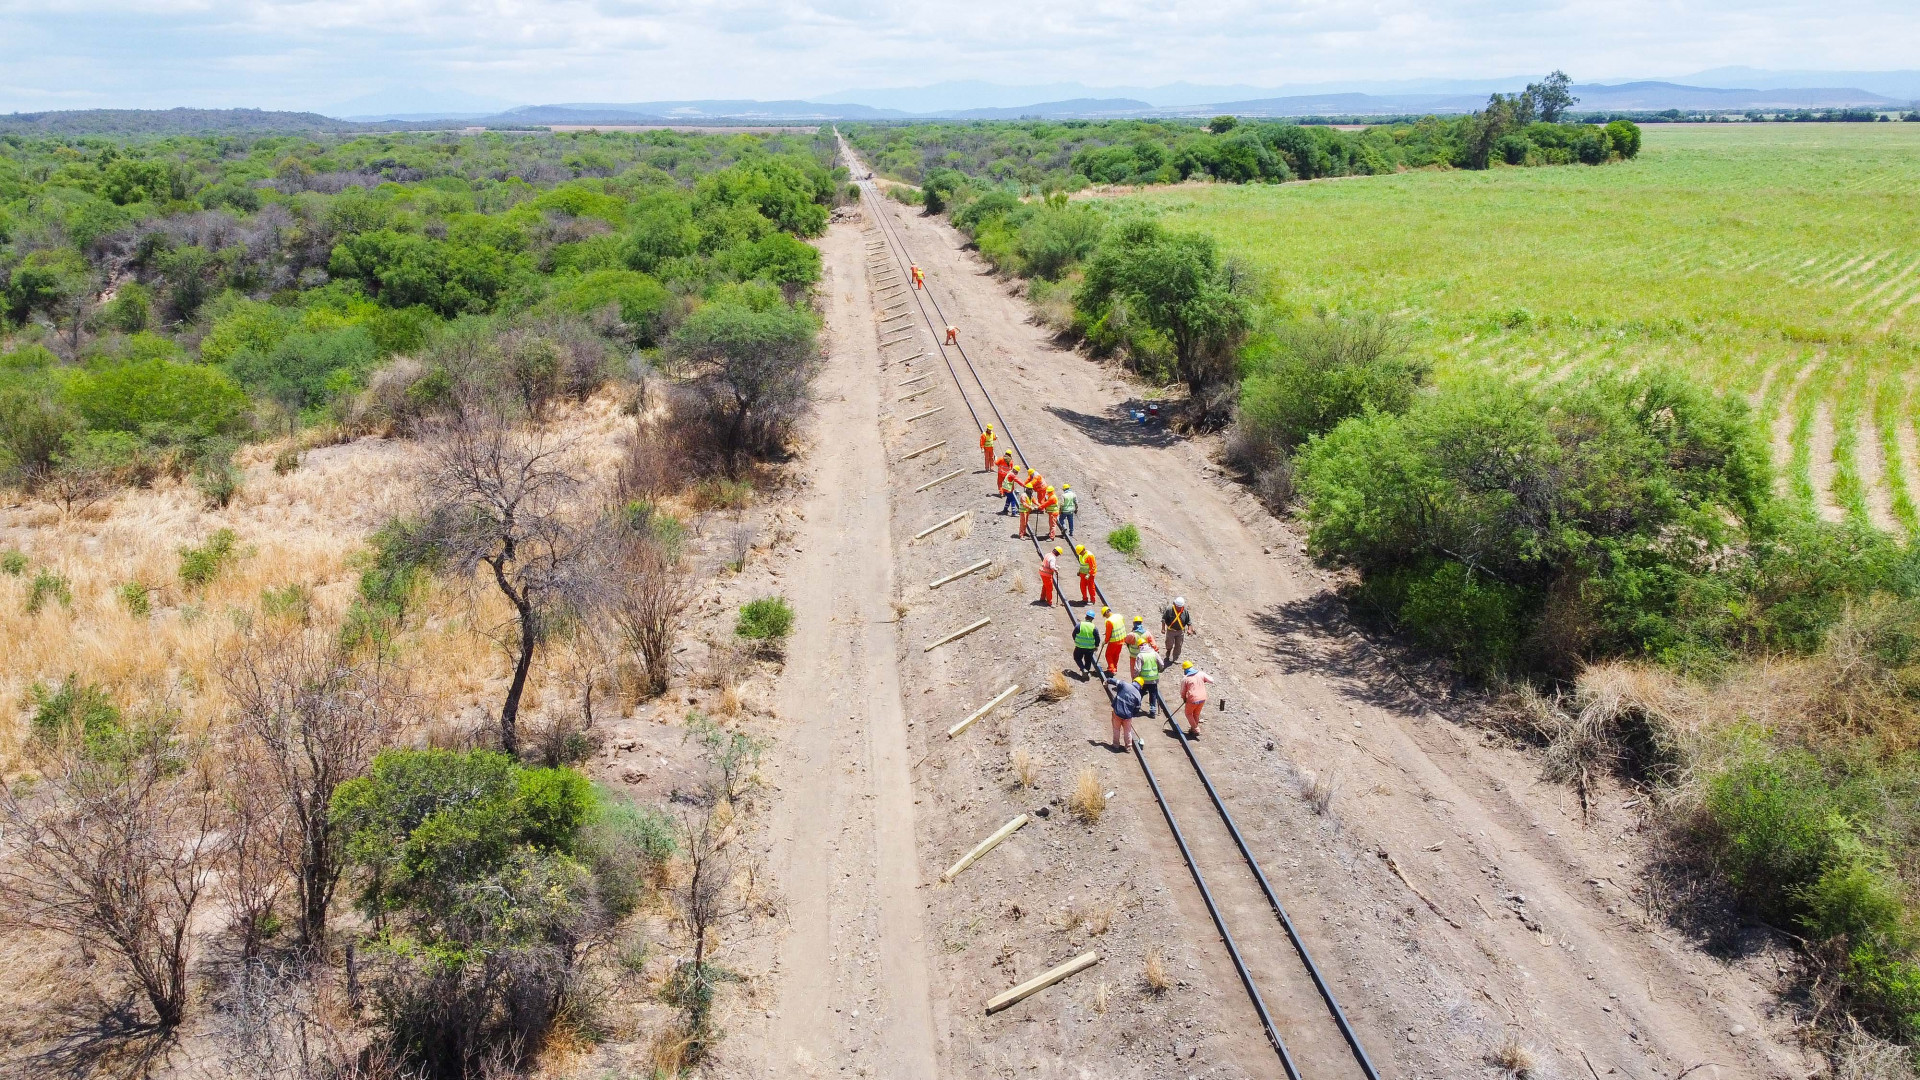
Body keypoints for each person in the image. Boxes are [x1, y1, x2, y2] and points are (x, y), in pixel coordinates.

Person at [1103, 672, 1145, 749]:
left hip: (1117, 712)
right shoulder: (1138, 695)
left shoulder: (1124, 684)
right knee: (1128, 731)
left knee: (1116, 729)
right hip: (1127, 716)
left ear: (1134, 681)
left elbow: (1114, 681)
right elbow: (1137, 709)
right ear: (1140, 686)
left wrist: (1107, 680)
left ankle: (1115, 745)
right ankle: (1128, 747)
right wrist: (1131, 715)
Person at [1178, 660, 1215, 738]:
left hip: (1193, 699)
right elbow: (1211, 680)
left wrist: (1184, 698)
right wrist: (1203, 680)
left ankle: (1196, 729)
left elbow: (1182, 691)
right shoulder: (1201, 674)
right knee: (1196, 713)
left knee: (1188, 714)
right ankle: (1193, 729)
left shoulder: (1185, 679)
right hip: (1203, 698)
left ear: (1185, 669)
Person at [1161, 597, 1196, 665]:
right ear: (1174, 604)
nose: (1179, 608)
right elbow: (1163, 620)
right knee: (1169, 644)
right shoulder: (1169, 610)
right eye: (1178, 606)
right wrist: (1163, 628)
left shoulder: (1185, 611)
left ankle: (1175, 658)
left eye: (1180, 607)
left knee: (1178, 645)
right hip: (1170, 631)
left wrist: (1189, 629)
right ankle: (1168, 651)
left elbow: (1189, 622)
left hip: (1180, 632)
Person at [1136, 637, 1164, 714]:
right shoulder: (1154, 653)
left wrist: (1136, 678)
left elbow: (1137, 669)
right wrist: (1159, 670)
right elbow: (1161, 664)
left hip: (1143, 680)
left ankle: (1137, 707)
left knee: (1140, 693)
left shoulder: (1140, 655)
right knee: (1153, 694)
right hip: (1154, 679)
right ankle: (1152, 709)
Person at [1072, 610, 1100, 676]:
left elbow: (1074, 634)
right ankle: (1086, 671)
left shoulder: (1079, 625)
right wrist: (1096, 646)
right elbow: (1097, 638)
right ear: (1092, 619)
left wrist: (1076, 641)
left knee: (1077, 658)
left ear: (1086, 617)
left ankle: (1082, 668)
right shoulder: (1094, 627)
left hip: (1079, 647)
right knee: (1088, 661)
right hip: (1090, 648)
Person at [1102, 607, 1127, 675]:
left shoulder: (1109, 621)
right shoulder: (1119, 616)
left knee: (1108, 655)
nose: (1105, 617)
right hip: (1122, 639)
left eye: (1104, 615)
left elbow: (1108, 634)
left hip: (1114, 641)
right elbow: (1119, 626)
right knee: (1116, 655)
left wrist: (1105, 641)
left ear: (1107, 612)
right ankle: (1115, 668)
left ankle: (1111, 670)